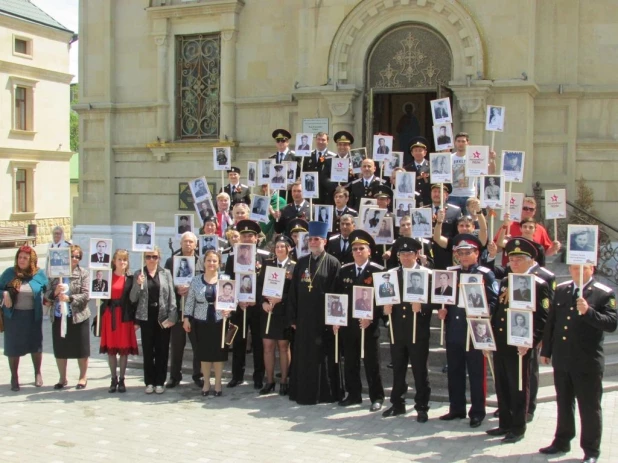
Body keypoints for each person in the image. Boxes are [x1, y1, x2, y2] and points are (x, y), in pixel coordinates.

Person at [539, 264, 616, 463]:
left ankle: (591, 451)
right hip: (563, 358)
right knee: (564, 402)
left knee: (589, 407)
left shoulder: (603, 293)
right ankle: (562, 440)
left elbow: (611, 323)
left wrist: (589, 311)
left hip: (587, 361)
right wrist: (547, 350)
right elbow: (552, 322)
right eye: (573, 268)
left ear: (592, 268)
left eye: (582, 268)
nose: (577, 271)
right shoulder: (562, 289)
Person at [487, 237, 550, 444]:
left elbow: (542, 318)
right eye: (511, 260)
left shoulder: (538, 284)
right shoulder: (506, 281)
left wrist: (531, 341)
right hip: (502, 340)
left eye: (519, 260)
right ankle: (504, 422)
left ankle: (518, 426)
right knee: (502, 384)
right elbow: (498, 311)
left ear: (530, 261)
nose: (514, 264)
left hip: (521, 343)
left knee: (519, 386)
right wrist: (490, 337)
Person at [438, 234, 498, 429]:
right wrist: (442, 309)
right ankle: (456, 407)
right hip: (454, 327)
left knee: (476, 372)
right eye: (460, 253)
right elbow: (444, 296)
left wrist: (485, 310)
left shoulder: (485, 273)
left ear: (476, 253)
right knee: (454, 370)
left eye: (467, 253)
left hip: (475, 328)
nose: (463, 256)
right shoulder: (451, 273)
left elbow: (494, 300)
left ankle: (478, 411)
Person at [288, 221, 342, 405]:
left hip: (324, 321)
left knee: (322, 357)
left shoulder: (334, 263)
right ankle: (302, 392)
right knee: (303, 356)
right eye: (310, 239)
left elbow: (337, 292)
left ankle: (324, 394)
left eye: (316, 239)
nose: (312, 242)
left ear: (324, 241)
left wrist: (335, 318)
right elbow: (293, 291)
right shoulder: (302, 262)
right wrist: (293, 317)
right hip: (303, 320)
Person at [382, 237, 433, 421]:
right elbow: (383, 296)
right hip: (397, 329)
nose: (405, 257)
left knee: (420, 370)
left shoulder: (426, 274)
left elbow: (435, 301)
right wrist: (385, 308)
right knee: (398, 368)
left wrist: (423, 307)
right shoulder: (392, 273)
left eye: (409, 254)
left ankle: (422, 406)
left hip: (417, 330)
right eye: (402, 254)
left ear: (417, 255)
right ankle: (397, 403)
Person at [335, 230, 385, 411]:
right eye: (354, 248)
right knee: (350, 361)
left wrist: (371, 318)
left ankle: (376, 397)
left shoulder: (378, 272)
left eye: (361, 248)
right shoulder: (344, 270)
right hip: (349, 325)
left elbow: (383, 300)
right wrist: (337, 319)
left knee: (372, 363)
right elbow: (339, 296)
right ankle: (353, 394)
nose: (357, 251)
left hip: (368, 326)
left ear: (369, 251)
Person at [225, 220, 271, 389]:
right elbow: (228, 282)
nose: (246, 238)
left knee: (259, 343)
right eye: (243, 235)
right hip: (240, 306)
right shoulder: (232, 257)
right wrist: (237, 300)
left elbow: (266, 284)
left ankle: (259, 376)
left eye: (250, 235)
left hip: (258, 307)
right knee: (239, 342)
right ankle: (237, 375)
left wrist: (257, 300)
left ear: (256, 238)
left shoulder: (265, 257)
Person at [0, 246, 48, 391]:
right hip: (13, 316)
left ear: (31, 260)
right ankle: (14, 377)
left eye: (25, 258)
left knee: (36, 346)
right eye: (19, 257)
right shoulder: (9, 273)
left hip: (33, 316)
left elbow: (48, 290)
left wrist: (53, 295)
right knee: (13, 347)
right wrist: (4, 294)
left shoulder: (39, 274)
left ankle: (37, 373)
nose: (21, 260)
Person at [183, 250, 231, 397]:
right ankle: (206, 382)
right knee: (203, 354)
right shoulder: (196, 280)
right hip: (201, 321)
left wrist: (228, 311)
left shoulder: (225, 278)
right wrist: (186, 318)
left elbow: (231, 300)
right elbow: (190, 300)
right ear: (204, 262)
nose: (211, 263)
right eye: (209, 260)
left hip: (219, 321)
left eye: (214, 261)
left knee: (218, 354)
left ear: (219, 263)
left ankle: (217, 383)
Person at [130, 247, 177, 394]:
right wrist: (138, 284)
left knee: (162, 350)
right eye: (148, 257)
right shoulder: (139, 273)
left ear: (159, 258)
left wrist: (172, 316)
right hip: (146, 316)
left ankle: (160, 382)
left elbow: (172, 296)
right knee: (148, 350)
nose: (151, 259)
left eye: (154, 257)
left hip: (162, 316)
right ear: (144, 258)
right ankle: (149, 381)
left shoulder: (165, 273)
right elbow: (132, 298)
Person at [46, 245, 90, 389]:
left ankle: (83, 377)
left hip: (78, 316)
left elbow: (86, 294)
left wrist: (70, 299)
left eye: (78, 257)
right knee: (60, 348)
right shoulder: (55, 274)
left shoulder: (83, 273)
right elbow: (47, 295)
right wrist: (54, 292)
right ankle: (62, 378)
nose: (75, 259)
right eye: (72, 256)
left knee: (81, 348)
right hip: (59, 316)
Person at [165, 231, 205, 389]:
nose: (188, 244)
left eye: (191, 242)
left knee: (197, 345)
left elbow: (205, 282)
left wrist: (191, 289)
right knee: (176, 345)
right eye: (185, 241)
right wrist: (176, 289)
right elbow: (166, 284)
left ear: (196, 245)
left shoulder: (201, 262)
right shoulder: (171, 261)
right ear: (180, 244)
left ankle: (197, 375)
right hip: (178, 309)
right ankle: (174, 376)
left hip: (196, 311)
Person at [258, 235, 296, 395]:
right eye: (277, 246)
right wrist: (263, 302)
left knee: (283, 346)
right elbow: (259, 285)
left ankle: (284, 381)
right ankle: (270, 381)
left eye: (283, 246)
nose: (279, 249)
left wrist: (282, 299)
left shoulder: (294, 266)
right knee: (267, 347)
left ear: (289, 249)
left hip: (284, 312)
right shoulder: (268, 265)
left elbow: (295, 291)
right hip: (269, 312)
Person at [98, 249, 138, 393]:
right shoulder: (106, 277)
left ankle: (122, 379)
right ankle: (113, 379)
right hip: (110, 315)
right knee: (111, 350)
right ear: (114, 261)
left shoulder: (130, 279)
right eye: (119, 259)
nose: (122, 262)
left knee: (123, 350)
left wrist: (138, 286)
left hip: (124, 317)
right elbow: (102, 296)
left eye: (125, 260)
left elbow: (133, 300)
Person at [448, 132, 496, 215]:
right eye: (458, 141)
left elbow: (490, 171)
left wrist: (492, 159)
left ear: (468, 143)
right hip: (453, 195)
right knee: (453, 222)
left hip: (469, 196)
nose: (461, 144)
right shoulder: (450, 158)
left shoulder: (473, 158)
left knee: (470, 221)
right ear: (455, 143)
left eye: (463, 141)